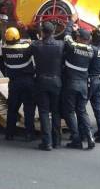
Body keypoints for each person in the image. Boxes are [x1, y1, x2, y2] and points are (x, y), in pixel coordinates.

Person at [31, 22, 66, 151]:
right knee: (56, 111)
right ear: (53, 32)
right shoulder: (61, 45)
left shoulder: (36, 46)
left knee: (44, 112)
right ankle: (57, 141)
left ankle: (47, 142)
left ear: (42, 32)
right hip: (56, 82)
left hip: (41, 82)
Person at [61, 28, 96, 150]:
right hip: (83, 85)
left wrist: (71, 23)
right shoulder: (91, 50)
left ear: (80, 38)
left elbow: (66, 36)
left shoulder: (73, 46)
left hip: (71, 84)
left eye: (77, 36)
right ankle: (90, 137)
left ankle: (76, 139)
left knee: (70, 112)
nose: (75, 37)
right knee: (82, 111)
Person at [2, 27, 36, 141]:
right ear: (18, 37)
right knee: (29, 109)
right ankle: (29, 134)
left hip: (14, 83)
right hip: (28, 82)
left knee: (12, 109)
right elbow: (33, 43)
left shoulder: (5, 49)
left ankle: (9, 134)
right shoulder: (26, 47)